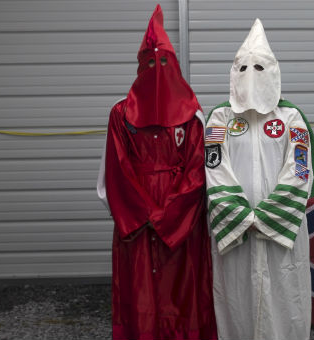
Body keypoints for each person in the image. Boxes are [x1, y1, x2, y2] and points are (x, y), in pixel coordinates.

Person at [96, 5, 217, 339]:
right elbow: (115, 170)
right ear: (139, 67)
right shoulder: (120, 115)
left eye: (163, 62)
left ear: (174, 65)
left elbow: (198, 172)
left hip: (182, 219)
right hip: (137, 221)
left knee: (183, 288)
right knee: (142, 291)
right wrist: (142, 216)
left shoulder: (194, 116)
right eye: (150, 62)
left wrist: (169, 217)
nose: (157, 70)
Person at [204, 18, 314, 340]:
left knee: (285, 293)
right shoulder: (219, 118)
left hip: (281, 228)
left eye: (259, 67)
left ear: (273, 71)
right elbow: (213, 167)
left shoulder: (292, 118)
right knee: (235, 294)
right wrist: (243, 217)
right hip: (236, 229)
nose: (250, 75)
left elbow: (300, 170)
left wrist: (269, 217)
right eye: (242, 68)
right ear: (233, 72)